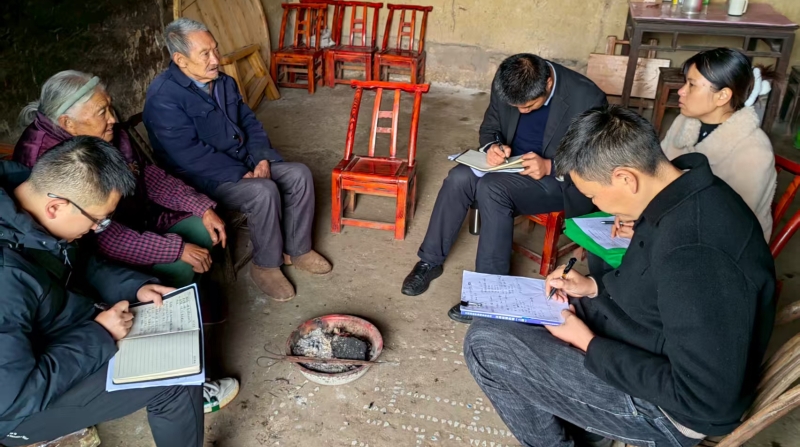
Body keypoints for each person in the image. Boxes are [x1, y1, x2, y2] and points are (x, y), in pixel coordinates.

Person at [464, 106, 776, 447]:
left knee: (485, 345)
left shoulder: (696, 252)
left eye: (593, 195)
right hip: (642, 334)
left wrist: (587, 343)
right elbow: (656, 284)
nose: (597, 204)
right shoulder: (682, 191)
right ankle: (587, 429)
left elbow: (704, 399)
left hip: (669, 412)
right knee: (506, 317)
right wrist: (592, 286)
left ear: (626, 178)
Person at [0, 137, 238, 447]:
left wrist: (135, 286)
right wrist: (99, 334)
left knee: (170, 331)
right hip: (20, 408)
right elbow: (13, 397)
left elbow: (79, 262)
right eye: (98, 221)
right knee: (174, 377)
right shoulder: (7, 277)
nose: (96, 229)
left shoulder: (28, 207)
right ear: (55, 207)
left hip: (59, 334)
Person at [400, 53, 607, 324]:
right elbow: (490, 128)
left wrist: (551, 165)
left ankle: (489, 294)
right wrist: (493, 147)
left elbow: (596, 158)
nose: (522, 112)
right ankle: (430, 261)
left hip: (556, 181)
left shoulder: (587, 97)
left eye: (529, 106)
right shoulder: (507, 81)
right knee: (458, 178)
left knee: (492, 189)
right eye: (515, 106)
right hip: (510, 166)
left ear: (547, 83)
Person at [143, 18, 331, 302]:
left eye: (215, 49)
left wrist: (262, 159)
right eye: (205, 54)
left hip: (242, 161)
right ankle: (265, 265)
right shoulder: (163, 97)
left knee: (300, 174)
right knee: (263, 191)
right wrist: (240, 172)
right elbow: (189, 154)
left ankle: (298, 249)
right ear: (181, 60)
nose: (215, 59)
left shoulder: (223, 82)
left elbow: (249, 123)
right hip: (201, 179)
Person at [14, 70, 227, 288]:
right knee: (181, 265)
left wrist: (200, 206)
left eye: (110, 107)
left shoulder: (103, 134)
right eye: (102, 112)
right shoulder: (49, 160)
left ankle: (197, 290)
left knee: (203, 226)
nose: (113, 119)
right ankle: (181, 297)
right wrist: (176, 249)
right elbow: (101, 236)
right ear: (68, 123)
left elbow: (143, 174)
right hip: (97, 254)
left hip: (140, 216)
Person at [659, 48, 777, 242]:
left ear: (722, 96)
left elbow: (729, 223)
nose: (681, 91)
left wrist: (657, 231)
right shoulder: (683, 122)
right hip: (674, 224)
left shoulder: (754, 151)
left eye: (691, 85)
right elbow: (658, 172)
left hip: (721, 245)